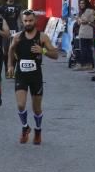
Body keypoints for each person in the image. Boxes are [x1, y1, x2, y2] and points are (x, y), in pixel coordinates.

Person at [7, 10, 59, 144]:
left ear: (35, 21)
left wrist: (43, 51)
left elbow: (55, 55)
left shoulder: (42, 37)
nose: (28, 23)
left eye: (30, 20)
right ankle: (25, 128)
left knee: (36, 108)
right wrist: (10, 65)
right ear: (22, 22)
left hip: (35, 76)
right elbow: (11, 50)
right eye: (25, 21)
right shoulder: (17, 36)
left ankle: (37, 131)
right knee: (20, 105)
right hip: (21, 75)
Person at [76, 0, 95, 71]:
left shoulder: (89, 10)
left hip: (87, 33)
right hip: (83, 32)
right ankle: (88, 64)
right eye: (80, 3)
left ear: (86, 4)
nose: (81, 5)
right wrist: (79, 20)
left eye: (83, 3)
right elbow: (79, 22)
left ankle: (87, 64)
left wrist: (79, 19)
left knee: (86, 49)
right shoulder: (82, 11)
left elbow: (84, 21)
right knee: (86, 49)